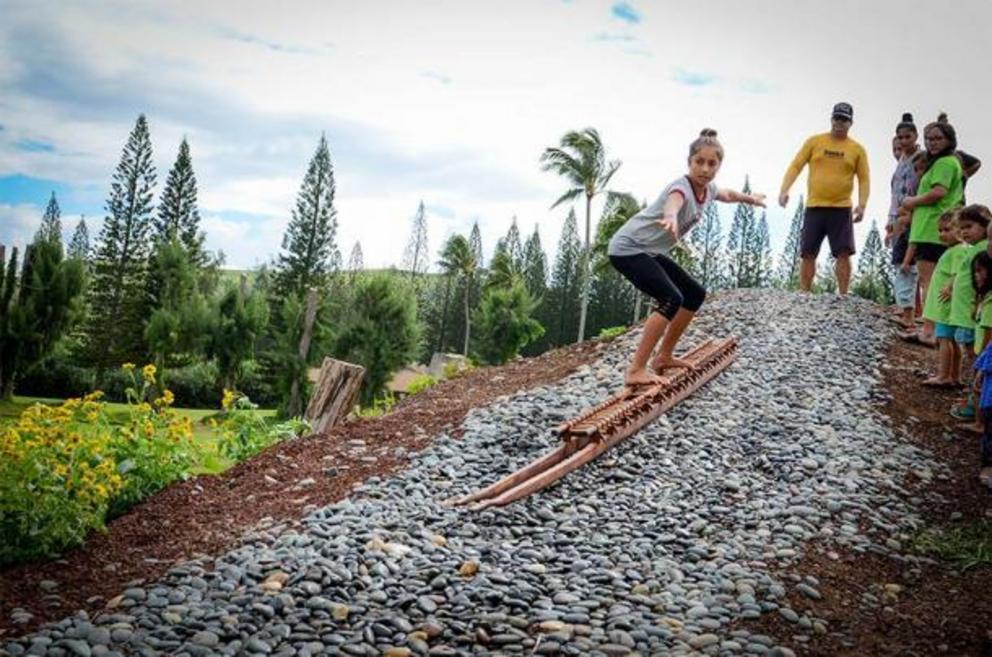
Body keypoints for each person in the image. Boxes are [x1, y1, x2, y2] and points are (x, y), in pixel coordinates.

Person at [608, 129, 766, 386]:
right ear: (689, 162)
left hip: (648, 251)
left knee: (694, 294)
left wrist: (750, 198)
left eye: (711, 163)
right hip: (627, 249)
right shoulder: (681, 187)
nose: (704, 168)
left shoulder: (709, 188)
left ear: (718, 165)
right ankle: (636, 370)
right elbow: (674, 202)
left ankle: (664, 356)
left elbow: (726, 194)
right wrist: (670, 216)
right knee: (671, 298)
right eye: (699, 162)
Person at [779, 101, 870, 295]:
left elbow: (864, 179)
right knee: (808, 251)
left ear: (850, 123)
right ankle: (804, 291)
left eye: (844, 120)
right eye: (837, 118)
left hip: (841, 207)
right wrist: (785, 189)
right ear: (831, 119)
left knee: (844, 252)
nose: (839, 123)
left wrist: (862, 205)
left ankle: (844, 294)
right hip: (815, 206)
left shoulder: (857, 149)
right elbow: (796, 165)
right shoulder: (815, 142)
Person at [901, 113, 965, 316]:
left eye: (938, 138)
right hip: (931, 228)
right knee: (936, 280)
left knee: (929, 281)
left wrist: (912, 202)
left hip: (931, 228)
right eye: (929, 138)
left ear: (949, 140)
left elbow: (939, 192)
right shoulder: (942, 162)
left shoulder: (945, 163)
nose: (932, 143)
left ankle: (929, 328)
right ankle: (934, 328)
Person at [946, 205, 992, 421]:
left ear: (984, 227)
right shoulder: (973, 249)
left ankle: (975, 402)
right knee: (971, 355)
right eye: (961, 228)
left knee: (974, 358)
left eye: (969, 226)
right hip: (968, 314)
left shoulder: (984, 250)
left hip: (971, 317)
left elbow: (982, 284)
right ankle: (973, 400)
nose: (964, 232)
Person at [920, 211, 964, 387]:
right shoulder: (953, 251)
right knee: (952, 341)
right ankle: (954, 376)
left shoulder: (958, 252)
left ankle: (944, 375)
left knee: (945, 340)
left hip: (946, 305)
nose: (942, 234)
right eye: (940, 230)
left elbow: (959, 273)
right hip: (946, 306)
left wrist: (950, 286)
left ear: (959, 230)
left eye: (947, 230)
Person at [888, 113, 922, 329]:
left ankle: (913, 313)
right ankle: (904, 307)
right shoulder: (900, 160)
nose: (903, 142)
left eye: (907, 137)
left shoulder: (920, 159)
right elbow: (895, 193)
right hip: (899, 217)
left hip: (914, 217)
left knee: (910, 265)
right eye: (899, 138)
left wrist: (913, 214)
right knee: (900, 261)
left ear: (915, 136)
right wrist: (891, 221)